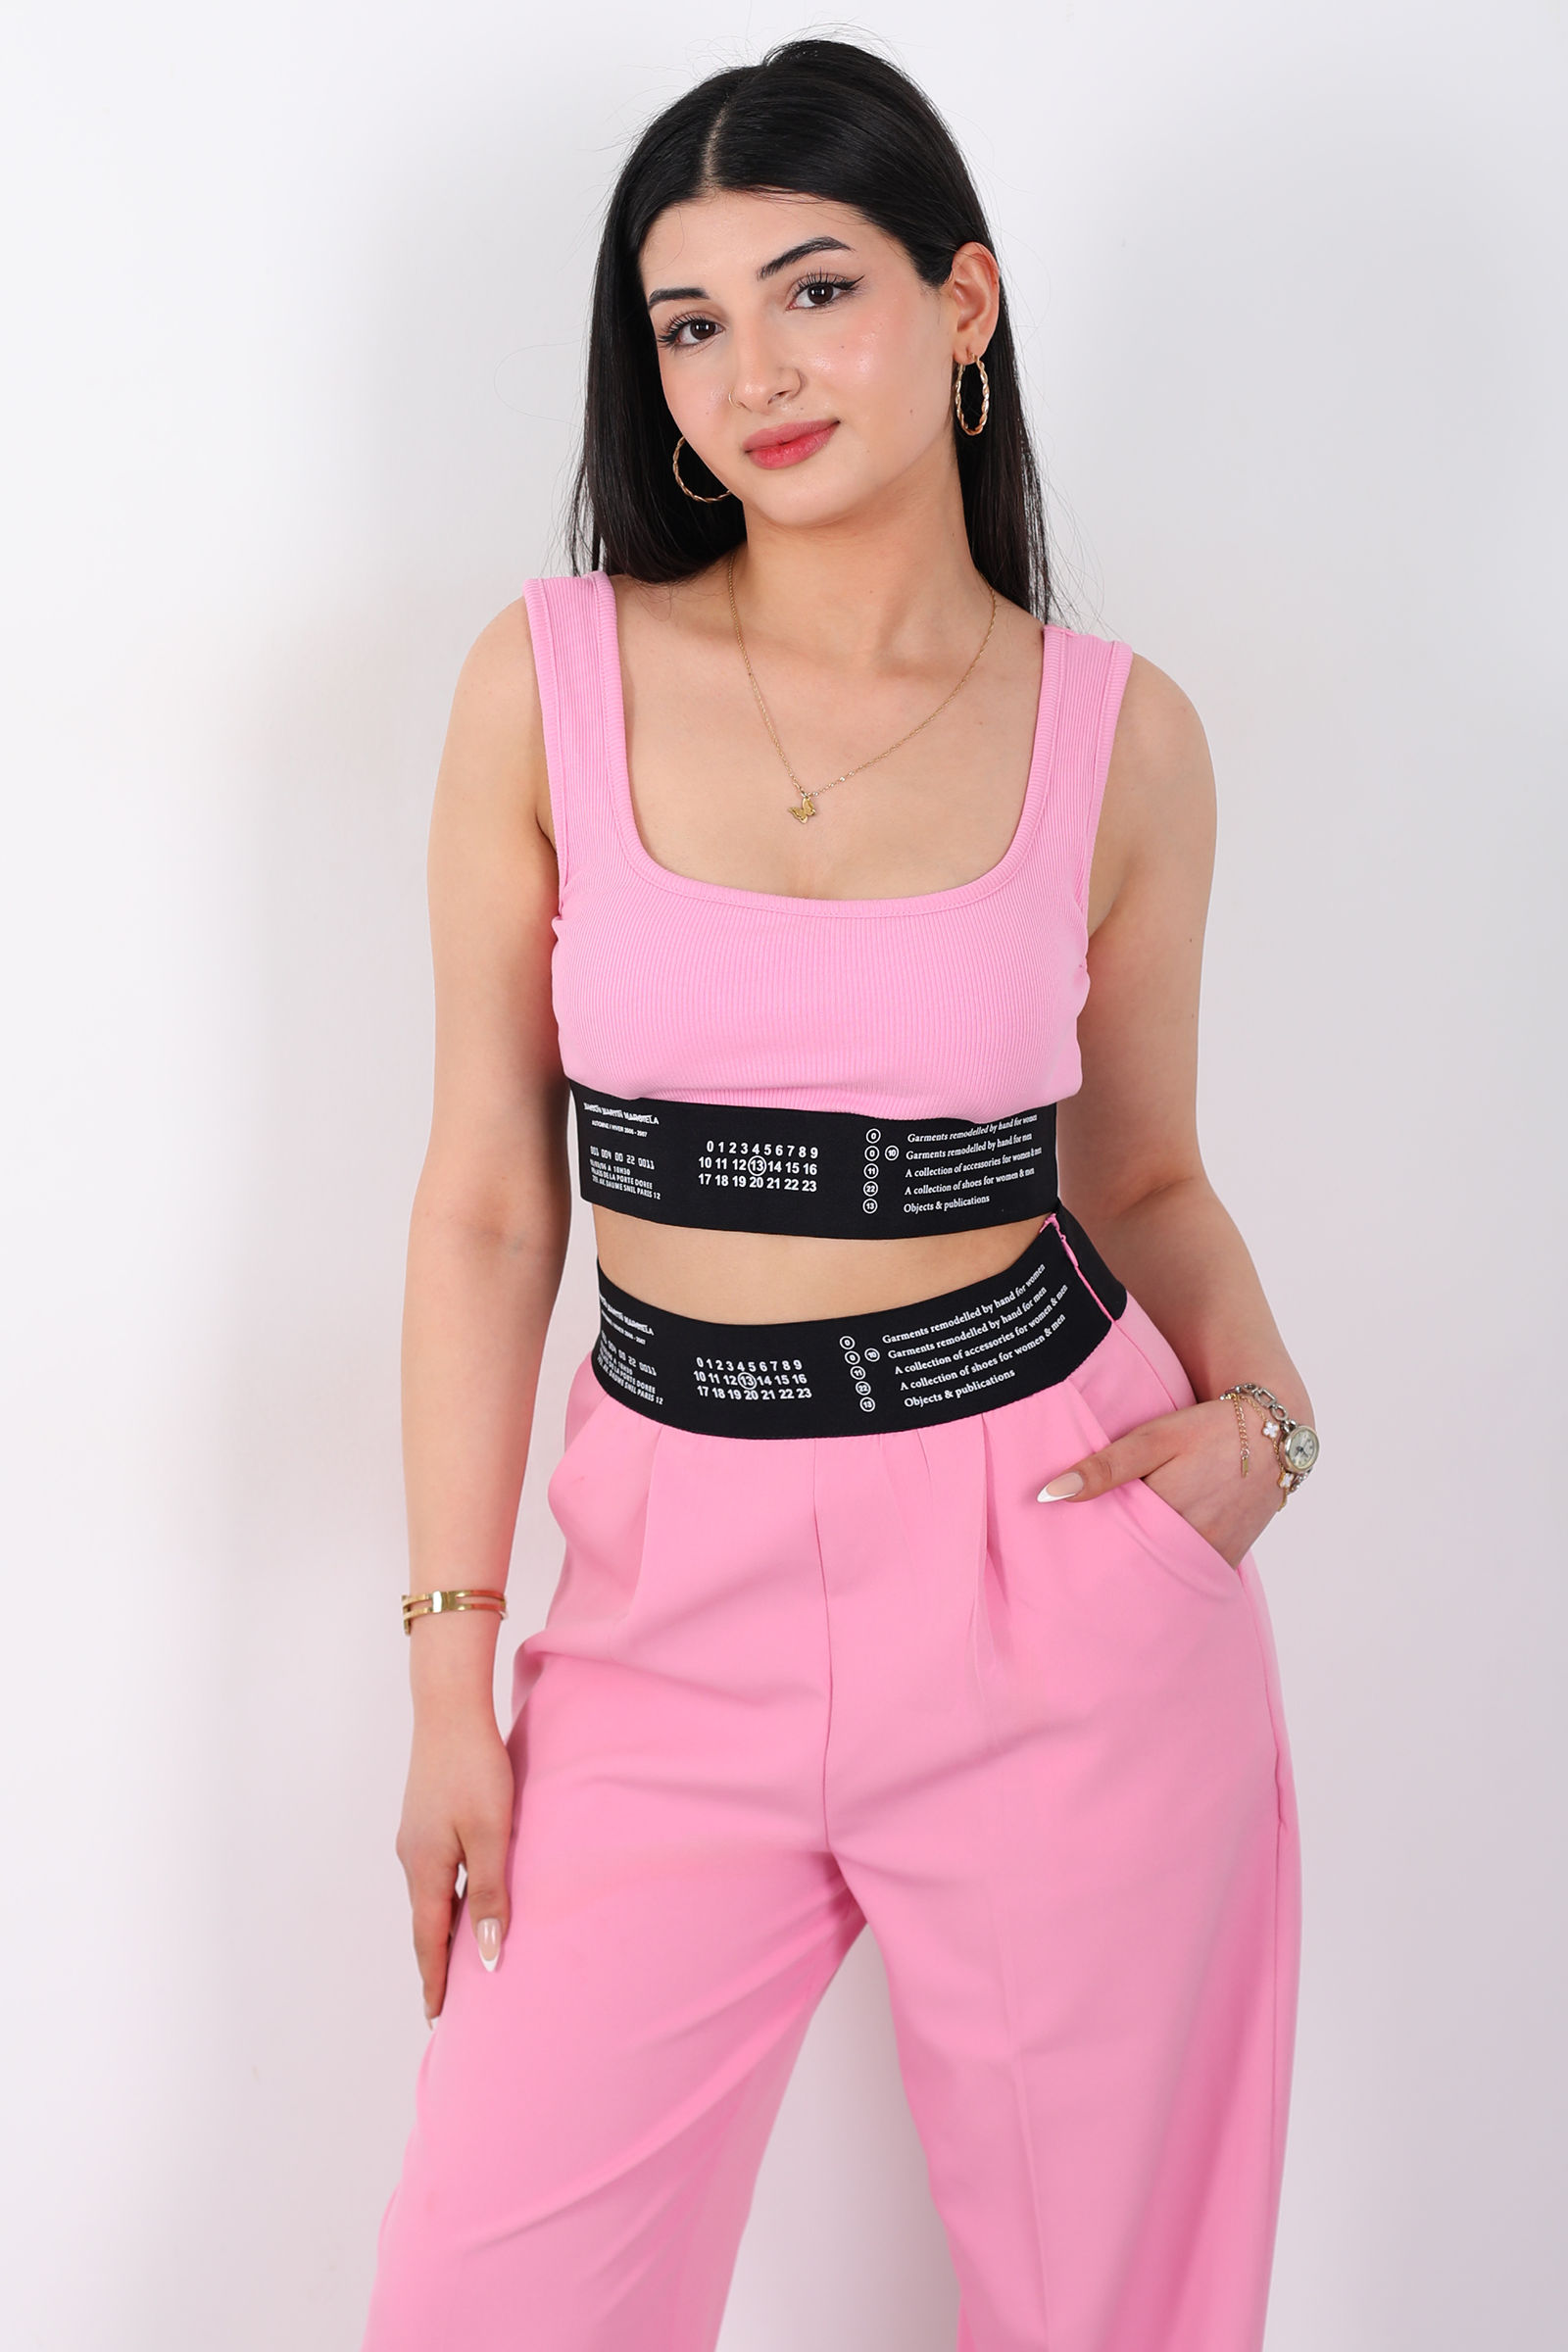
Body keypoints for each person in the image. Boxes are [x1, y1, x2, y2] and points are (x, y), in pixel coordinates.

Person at [358, 36, 1314, 2352]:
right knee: (490, 2298)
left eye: (813, 292)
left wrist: (1266, 1428)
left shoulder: (1118, 735)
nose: (753, 374)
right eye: (688, 324)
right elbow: (488, 1199)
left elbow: (1143, 1172)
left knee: (1108, 2313)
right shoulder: (548, 680)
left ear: (958, 304)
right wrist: (451, 1675)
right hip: (658, 1593)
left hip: (1048, 1563)